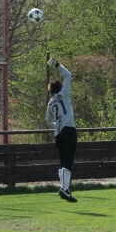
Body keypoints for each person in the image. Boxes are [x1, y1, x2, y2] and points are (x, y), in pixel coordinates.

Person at [47, 56, 78, 203]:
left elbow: (49, 122)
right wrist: (57, 65)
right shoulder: (64, 94)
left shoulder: (50, 104)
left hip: (58, 134)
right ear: (60, 88)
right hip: (69, 129)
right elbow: (68, 75)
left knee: (62, 161)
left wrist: (57, 126)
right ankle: (65, 189)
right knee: (68, 160)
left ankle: (64, 188)